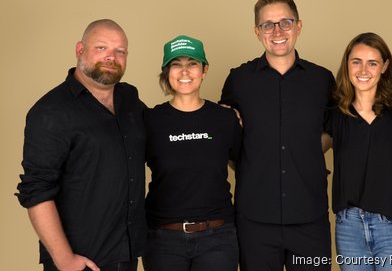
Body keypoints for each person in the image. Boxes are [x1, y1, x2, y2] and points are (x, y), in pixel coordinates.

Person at [16, 19, 146, 271]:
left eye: (120, 51)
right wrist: (65, 259)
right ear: (79, 50)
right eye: (101, 48)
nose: (111, 57)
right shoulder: (51, 112)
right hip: (80, 261)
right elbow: (36, 190)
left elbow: (163, 131)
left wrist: (216, 115)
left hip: (127, 254)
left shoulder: (129, 99)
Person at [219, 0, 335, 271]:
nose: (277, 31)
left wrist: (305, 149)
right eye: (268, 24)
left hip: (310, 219)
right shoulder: (238, 80)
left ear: (299, 26)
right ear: (257, 32)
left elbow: (335, 130)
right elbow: (226, 138)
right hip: (254, 221)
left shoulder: (322, 80)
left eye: (285, 22)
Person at [142, 35, 241, 271]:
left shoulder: (225, 119)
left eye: (192, 63)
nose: (184, 71)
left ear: (204, 70)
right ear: (167, 72)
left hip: (217, 237)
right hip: (163, 239)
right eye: (176, 64)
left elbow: (243, 165)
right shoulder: (149, 120)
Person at [327, 32, 392, 271]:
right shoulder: (335, 113)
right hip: (348, 227)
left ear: (385, 66)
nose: (363, 70)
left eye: (372, 63)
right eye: (356, 61)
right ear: (347, 64)